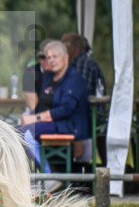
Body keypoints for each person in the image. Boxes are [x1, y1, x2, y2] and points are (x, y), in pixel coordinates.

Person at [18, 40, 89, 192]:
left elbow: (66, 110)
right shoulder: (50, 78)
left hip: (67, 125)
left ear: (66, 57)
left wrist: (35, 119)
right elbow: (42, 105)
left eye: (55, 57)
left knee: (27, 133)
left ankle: (48, 177)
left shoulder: (74, 79)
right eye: (48, 57)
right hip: (53, 123)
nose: (51, 61)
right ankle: (28, 179)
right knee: (16, 132)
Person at [62, 32, 108, 164]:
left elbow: (78, 99)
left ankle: (57, 173)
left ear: (75, 47)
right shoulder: (81, 63)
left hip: (87, 118)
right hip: (88, 117)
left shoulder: (82, 64)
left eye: (63, 45)